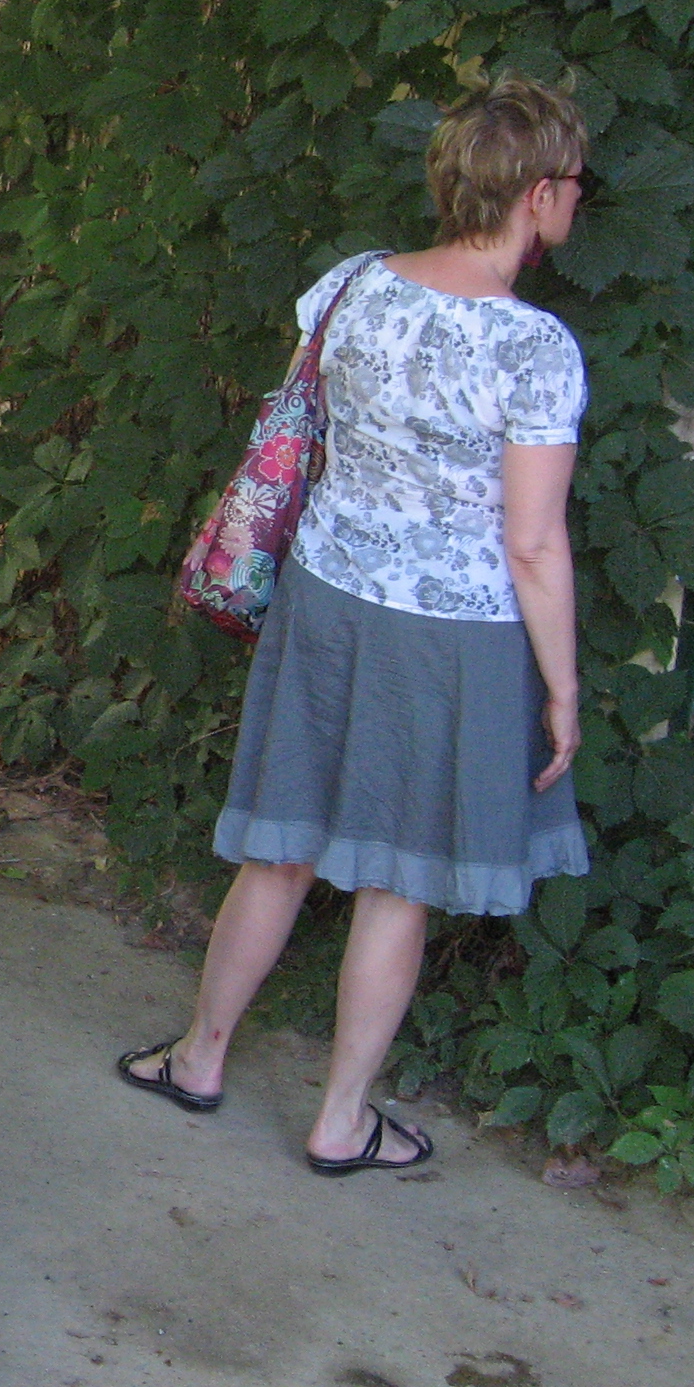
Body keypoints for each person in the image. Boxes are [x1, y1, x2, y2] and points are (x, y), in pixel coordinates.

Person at [119, 75, 593, 1175]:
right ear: (535, 194)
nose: (578, 200)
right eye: (575, 182)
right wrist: (562, 690)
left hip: (327, 604)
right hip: (451, 642)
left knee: (278, 851)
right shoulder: (532, 349)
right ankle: (339, 1122)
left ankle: (198, 1057)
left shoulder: (353, 285)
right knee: (399, 883)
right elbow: (531, 544)